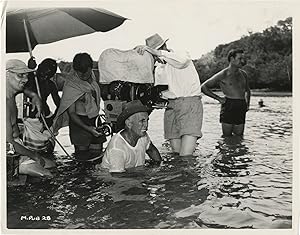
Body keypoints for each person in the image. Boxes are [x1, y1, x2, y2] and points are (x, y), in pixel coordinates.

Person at [134, 33, 203, 156]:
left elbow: (182, 62)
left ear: (164, 47)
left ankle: (191, 172)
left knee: (185, 155)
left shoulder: (180, 54)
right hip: (170, 107)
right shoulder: (159, 67)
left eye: (154, 53)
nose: (155, 58)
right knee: (176, 154)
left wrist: (156, 52)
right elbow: (160, 92)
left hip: (189, 104)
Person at [52, 53, 106, 162]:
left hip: (95, 120)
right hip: (79, 123)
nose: (83, 76)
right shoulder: (72, 84)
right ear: (75, 70)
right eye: (80, 74)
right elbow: (71, 113)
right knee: (82, 160)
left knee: (98, 157)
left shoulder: (93, 77)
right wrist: (88, 129)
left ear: (91, 68)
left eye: (86, 73)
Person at [6, 59, 54, 178]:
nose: (26, 79)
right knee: (48, 175)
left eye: (26, 75)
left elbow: (25, 89)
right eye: (20, 75)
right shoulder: (4, 105)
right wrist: (34, 155)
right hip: (9, 154)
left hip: (18, 146)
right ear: (6, 75)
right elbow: (8, 143)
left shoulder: (12, 94)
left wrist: (34, 95)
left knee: (52, 165)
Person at [98, 100, 161, 174]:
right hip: (112, 179)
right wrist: (145, 175)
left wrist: (159, 166)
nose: (146, 125)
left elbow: (151, 150)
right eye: (142, 121)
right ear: (129, 124)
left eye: (147, 120)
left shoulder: (143, 136)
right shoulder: (117, 148)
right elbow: (117, 178)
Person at [201, 49, 251, 137]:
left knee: (239, 136)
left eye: (243, 58)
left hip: (241, 105)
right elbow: (204, 87)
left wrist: (247, 104)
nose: (242, 61)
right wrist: (219, 98)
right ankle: (225, 150)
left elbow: (247, 90)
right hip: (229, 105)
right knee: (227, 137)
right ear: (232, 59)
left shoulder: (244, 74)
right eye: (240, 58)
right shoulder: (223, 74)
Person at [25, 58, 61, 127]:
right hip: (27, 116)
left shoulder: (51, 85)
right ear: (39, 67)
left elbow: (60, 105)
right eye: (42, 74)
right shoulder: (29, 77)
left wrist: (52, 119)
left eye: (48, 76)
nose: (45, 78)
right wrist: (29, 68)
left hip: (44, 116)